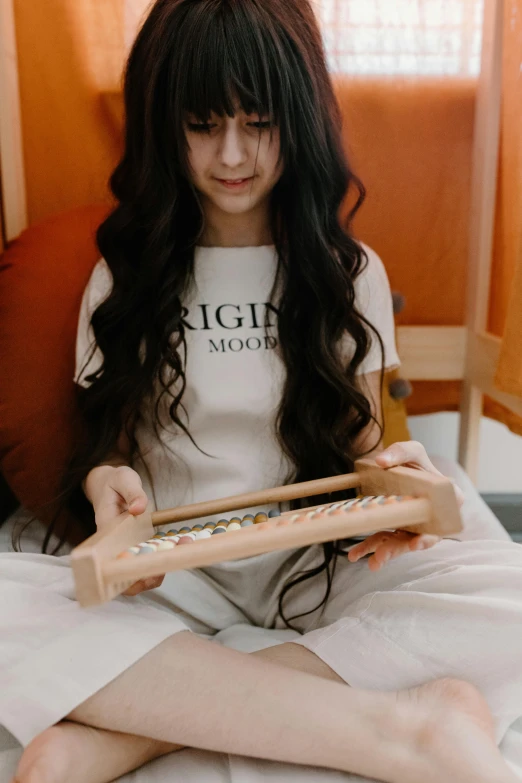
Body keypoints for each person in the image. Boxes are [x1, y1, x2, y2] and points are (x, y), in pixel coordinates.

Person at [3, 1, 522, 782]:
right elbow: (108, 456)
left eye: (258, 122)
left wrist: (399, 487)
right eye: (204, 124)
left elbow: (363, 447)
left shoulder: (351, 273)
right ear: (162, 124)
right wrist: (108, 487)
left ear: (300, 119)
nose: (233, 154)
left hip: (312, 577)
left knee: (508, 595)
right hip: (171, 589)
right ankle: (404, 724)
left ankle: (132, 729)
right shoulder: (124, 276)